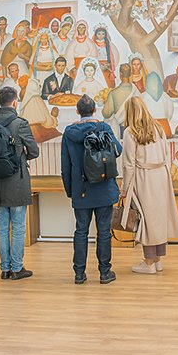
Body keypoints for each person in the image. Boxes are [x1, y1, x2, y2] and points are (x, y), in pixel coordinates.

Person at [61, 95, 121, 285]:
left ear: (77, 112)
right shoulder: (104, 128)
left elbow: (65, 166)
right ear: (95, 110)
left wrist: (71, 191)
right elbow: (118, 150)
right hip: (104, 187)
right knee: (103, 231)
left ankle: (79, 274)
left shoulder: (69, 132)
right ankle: (105, 272)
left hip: (81, 189)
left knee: (81, 231)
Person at [120, 97, 178, 274]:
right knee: (158, 218)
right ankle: (157, 260)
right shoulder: (158, 127)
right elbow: (166, 153)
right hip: (161, 175)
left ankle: (148, 263)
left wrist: (125, 188)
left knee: (147, 219)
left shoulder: (130, 132)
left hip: (144, 176)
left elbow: (128, 164)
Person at [0, 86, 40, 281]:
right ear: (15, 102)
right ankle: (17, 268)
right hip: (16, 180)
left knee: (1, 228)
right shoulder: (20, 123)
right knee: (18, 226)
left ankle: (5, 269)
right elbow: (34, 151)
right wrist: (21, 156)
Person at [102, 63, 137, 138]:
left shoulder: (113, 93)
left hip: (120, 129)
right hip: (134, 128)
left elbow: (106, 114)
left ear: (120, 74)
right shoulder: (136, 91)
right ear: (130, 73)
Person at [143, 72, 174, 137]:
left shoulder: (142, 96)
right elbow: (170, 113)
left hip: (148, 129)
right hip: (164, 128)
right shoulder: (166, 96)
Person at [92, 24, 119, 88]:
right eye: (99, 34)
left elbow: (114, 56)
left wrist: (108, 64)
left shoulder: (109, 44)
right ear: (95, 34)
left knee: (108, 84)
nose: (101, 36)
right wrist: (98, 65)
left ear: (105, 35)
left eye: (103, 34)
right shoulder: (93, 44)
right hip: (97, 66)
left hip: (107, 66)